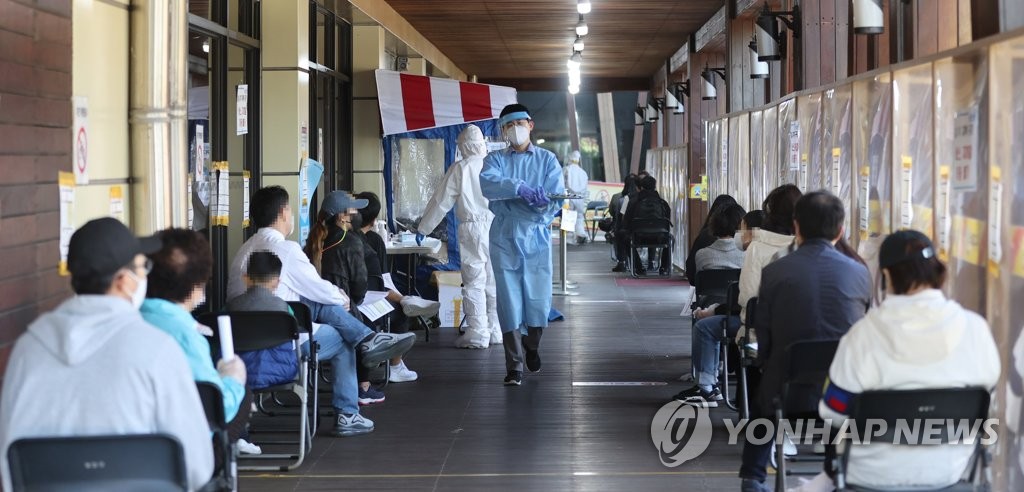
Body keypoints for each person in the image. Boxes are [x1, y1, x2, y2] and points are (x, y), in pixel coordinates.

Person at [0, 218, 213, 491]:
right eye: (142, 267)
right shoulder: (156, 349)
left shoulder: (28, 348)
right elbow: (196, 465)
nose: (145, 275)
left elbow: (10, 463)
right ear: (124, 281)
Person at [790, 230, 1000, 492]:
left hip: (870, 473)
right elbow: (989, 398)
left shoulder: (862, 336)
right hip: (949, 470)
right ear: (937, 270)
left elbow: (833, 409)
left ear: (886, 275)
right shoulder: (975, 329)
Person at [227, 185, 416, 437]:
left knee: (316, 306)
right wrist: (342, 298)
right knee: (342, 338)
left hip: (241, 343)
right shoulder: (287, 250)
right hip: (285, 345)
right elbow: (321, 290)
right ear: (284, 212)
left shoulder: (243, 250)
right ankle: (348, 411)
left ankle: (369, 340)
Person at [738, 191, 872, 492]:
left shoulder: (775, 272)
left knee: (766, 388)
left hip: (788, 395)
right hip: (844, 398)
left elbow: (765, 339)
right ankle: (832, 469)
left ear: (796, 228)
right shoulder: (860, 273)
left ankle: (753, 475)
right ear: (840, 230)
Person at [139, 228, 257, 455]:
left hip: (127, 448)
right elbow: (216, 408)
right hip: (179, 455)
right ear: (197, 285)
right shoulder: (187, 337)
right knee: (242, 394)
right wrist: (233, 380)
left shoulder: (128, 320)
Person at [480, 103, 565, 386]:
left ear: (530, 124)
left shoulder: (548, 160)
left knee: (538, 300)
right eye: (508, 125)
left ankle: (533, 344)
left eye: (519, 123)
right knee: (509, 301)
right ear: (503, 131)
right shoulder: (495, 160)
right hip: (504, 235)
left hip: (537, 235)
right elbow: (488, 185)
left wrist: (543, 205)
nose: (514, 130)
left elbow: (556, 196)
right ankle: (514, 365)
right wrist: (519, 188)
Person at [417, 125, 502, 349]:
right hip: (497, 226)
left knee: (474, 280)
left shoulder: (461, 168)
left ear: (464, 146)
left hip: (473, 229)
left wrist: (423, 229)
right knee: (494, 281)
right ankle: (496, 330)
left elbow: (440, 201)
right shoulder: (494, 164)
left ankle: (477, 333)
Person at [357, 191, 437, 381]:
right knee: (399, 311)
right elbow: (383, 281)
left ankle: (407, 300)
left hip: (346, 300)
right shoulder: (374, 240)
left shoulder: (336, 240)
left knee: (377, 291)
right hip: (368, 302)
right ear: (375, 219)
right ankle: (395, 366)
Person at [620, 174, 673, 275]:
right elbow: (667, 224)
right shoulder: (663, 203)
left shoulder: (633, 202)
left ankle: (638, 268)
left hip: (638, 238)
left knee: (625, 237)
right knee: (670, 239)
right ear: (655, 187)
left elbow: (626, 223)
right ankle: (664, 268)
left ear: (641, 187)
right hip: (660, 238)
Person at [685, 194, 739, 280]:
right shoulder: (745, 254)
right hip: (737, 293)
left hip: (708, 292)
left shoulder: (703, 240)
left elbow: (691, 274)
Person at [693, 203, 747, 279]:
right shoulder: (748, 254)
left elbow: (699, 284)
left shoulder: (701, 255)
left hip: (711, 290)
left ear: (715, 224)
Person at [610, 174, 639, 271]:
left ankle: (622, 261)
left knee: (620, 233)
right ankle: (651, 261)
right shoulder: (658, 200)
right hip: (654, 232)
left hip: (631, 232)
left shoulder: (622, 199)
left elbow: (620, 217)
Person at [563, 149, 590, 244]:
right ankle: (580, 234)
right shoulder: (583, 172)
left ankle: (569, 239)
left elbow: (562, 183)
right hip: (580, 198)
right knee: (579, 217)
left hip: (569, 197)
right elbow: (586, 188)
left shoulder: (566, 169)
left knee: (568, 216)